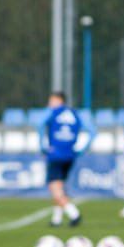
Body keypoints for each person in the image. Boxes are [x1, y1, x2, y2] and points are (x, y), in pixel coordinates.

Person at [39, 92, 89, 227]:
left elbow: (39, 125)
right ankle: (57, 219)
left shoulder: (53, 113)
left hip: (55, 155)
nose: (49, 104)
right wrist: (82, 149)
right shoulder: (75, 114)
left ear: (58, 100)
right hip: (70, 156)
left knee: (54, 188)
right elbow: (92, 131)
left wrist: (42, 146)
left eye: (51, 100)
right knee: (60, 188)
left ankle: (74, 214)